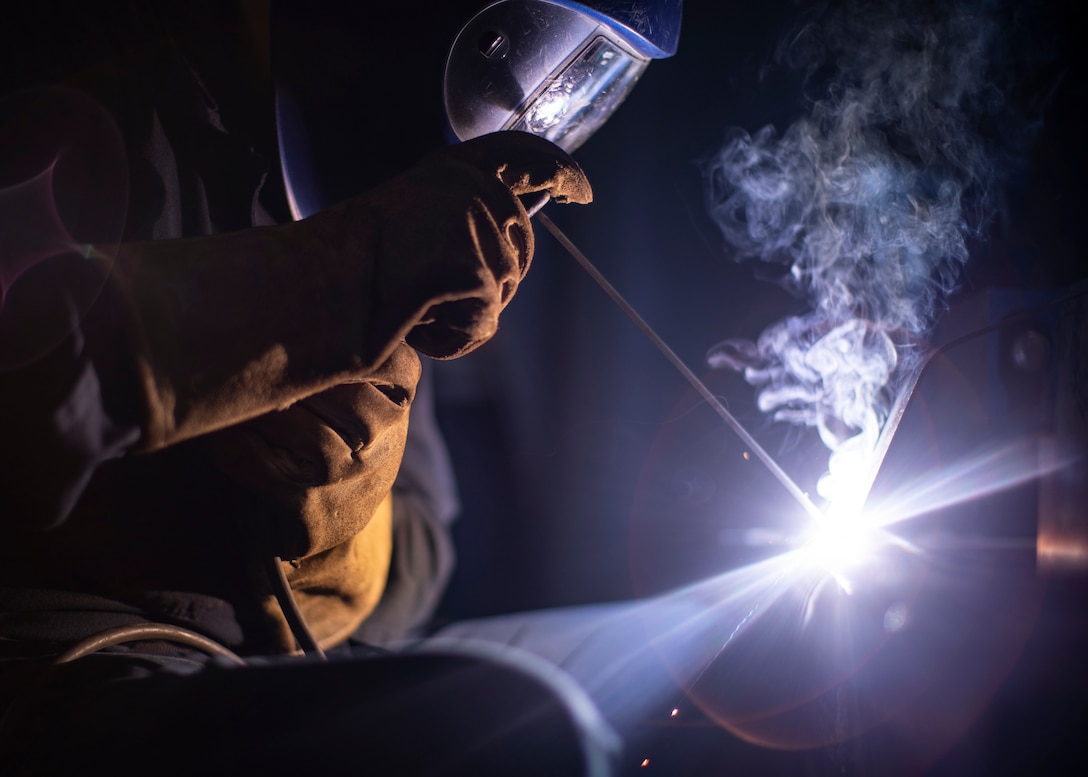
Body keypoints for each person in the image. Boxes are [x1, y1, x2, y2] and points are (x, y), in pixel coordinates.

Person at [0, 2, 620, 774]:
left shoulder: (383, 180)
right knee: (526, 731)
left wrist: (344, 534)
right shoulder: (85, 61)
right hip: (58, 664)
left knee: (663, 660)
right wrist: (319, 287)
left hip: (259, 664)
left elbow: (425, 549)